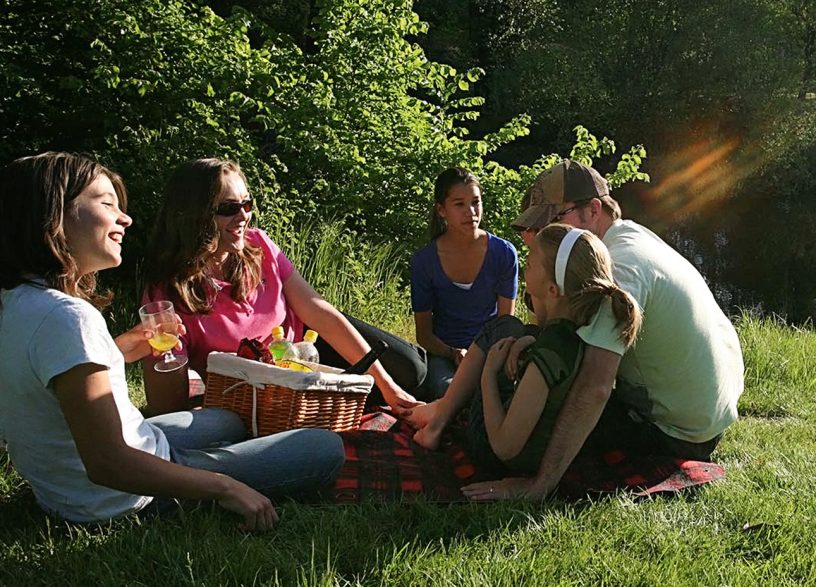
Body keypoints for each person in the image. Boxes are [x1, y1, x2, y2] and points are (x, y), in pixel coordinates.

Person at [0, 152, 343, 530]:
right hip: (124, 498)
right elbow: (108, 463)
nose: (125, 218)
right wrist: (224, 486)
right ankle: (204, 469)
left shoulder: (19, 304)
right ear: (54, 217)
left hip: (66, 493)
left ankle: (199, 456)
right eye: (106, 203)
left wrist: (122, 348)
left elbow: (51, 386)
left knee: (225, 420)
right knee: (325, 449)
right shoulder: (67, 317)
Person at [462, 160, 745, 501]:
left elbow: (595, 385)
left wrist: (540, 485)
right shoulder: (630, 237)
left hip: (676, 433)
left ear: (593, 210)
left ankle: (459, 420)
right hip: (705, 416)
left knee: (546, 387)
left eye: (553, 220)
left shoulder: (621, 267)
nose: (543, 236)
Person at [141, 158, 425, 415]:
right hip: (261, 384)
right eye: (229, 208)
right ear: (193, 215)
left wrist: (387, 385)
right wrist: (160, 353)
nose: (243, 216)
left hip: (307, 349)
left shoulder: (259, 245)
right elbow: (166, 407)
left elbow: (319, 312)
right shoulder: (168, 293)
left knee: (409, 370)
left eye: (247, 204)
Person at [469, 224, 641, 473]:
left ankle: (439, 417)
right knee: (523, 332)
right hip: (535, 449)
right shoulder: (585, 332)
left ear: (552, 290)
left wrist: (487, 375)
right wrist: (530, 340)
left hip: (497, 456)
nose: (524, 270)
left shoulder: (550, 352)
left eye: (529, 265)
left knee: (501, 328)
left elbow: (504, 447)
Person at [410, 168, 518, 401]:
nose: (471, 212)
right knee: (449, 394)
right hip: (445, 356)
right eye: (459, 204)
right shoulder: (424, 262)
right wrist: (452, 353)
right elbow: (424, 335)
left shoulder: (504, 253)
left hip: (491, 354)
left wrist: (484, 359)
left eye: (476, 202)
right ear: (441, 210)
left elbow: (505, 323)